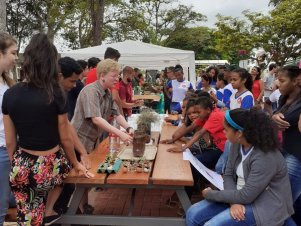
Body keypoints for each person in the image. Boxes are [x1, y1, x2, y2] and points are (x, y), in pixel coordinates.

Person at [2, 33, 91, 226]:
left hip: (22, 163)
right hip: (50, 165)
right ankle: (49, 211)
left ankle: (39, 216)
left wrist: (17, 163)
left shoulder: (9, 94)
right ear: (51, 63)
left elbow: (10, 141)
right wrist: (76, 163)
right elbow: (65, 138)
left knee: (27, 217)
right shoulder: (56, 93)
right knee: (63, 173)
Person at [186, 108, 295, 226]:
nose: (223, 132)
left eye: (226, 130)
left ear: (239, 133)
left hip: (264, 205)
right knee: (192, 213)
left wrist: (210, 194)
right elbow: (228, 174)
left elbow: (247, 195)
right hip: (240, 196)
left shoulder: (265, 156)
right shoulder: (235, 144)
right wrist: (234, 202)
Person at [44, 56, 92, 224]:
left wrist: (83, 152)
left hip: (55, 153)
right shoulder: (48, 95)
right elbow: (65, 135)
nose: (74, 85)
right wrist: (76, 161)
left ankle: (55, 215)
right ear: (59, 76)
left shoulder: (60, 94)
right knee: (63, 184)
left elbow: (68, 128)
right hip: (44, 156)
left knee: (67, 184)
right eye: (72, 81)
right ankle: (50, 215)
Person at [72, 59, 134, 154]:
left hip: (91, 142)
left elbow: (116, 114)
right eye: (113, 76)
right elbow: (96, 118)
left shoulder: (108, 92)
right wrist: (120, 133)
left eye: (118, 76)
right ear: (102, 76)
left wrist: (128, 128)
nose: (117, 79)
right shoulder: (91, 91)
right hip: (78, 143)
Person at [272, 65, 301, 224]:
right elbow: (277, 114)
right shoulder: (284, 97)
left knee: (281, 201)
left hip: (297, 157)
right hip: (284, 150)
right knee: (292, 201)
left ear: (296, 81)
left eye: (282, 80)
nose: (278, 84)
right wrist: (274, 117)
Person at [0, 32, 17, 226]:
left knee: (2, 207)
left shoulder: (8, 83)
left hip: (8, 150)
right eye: (13, 53)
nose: (16, 58)